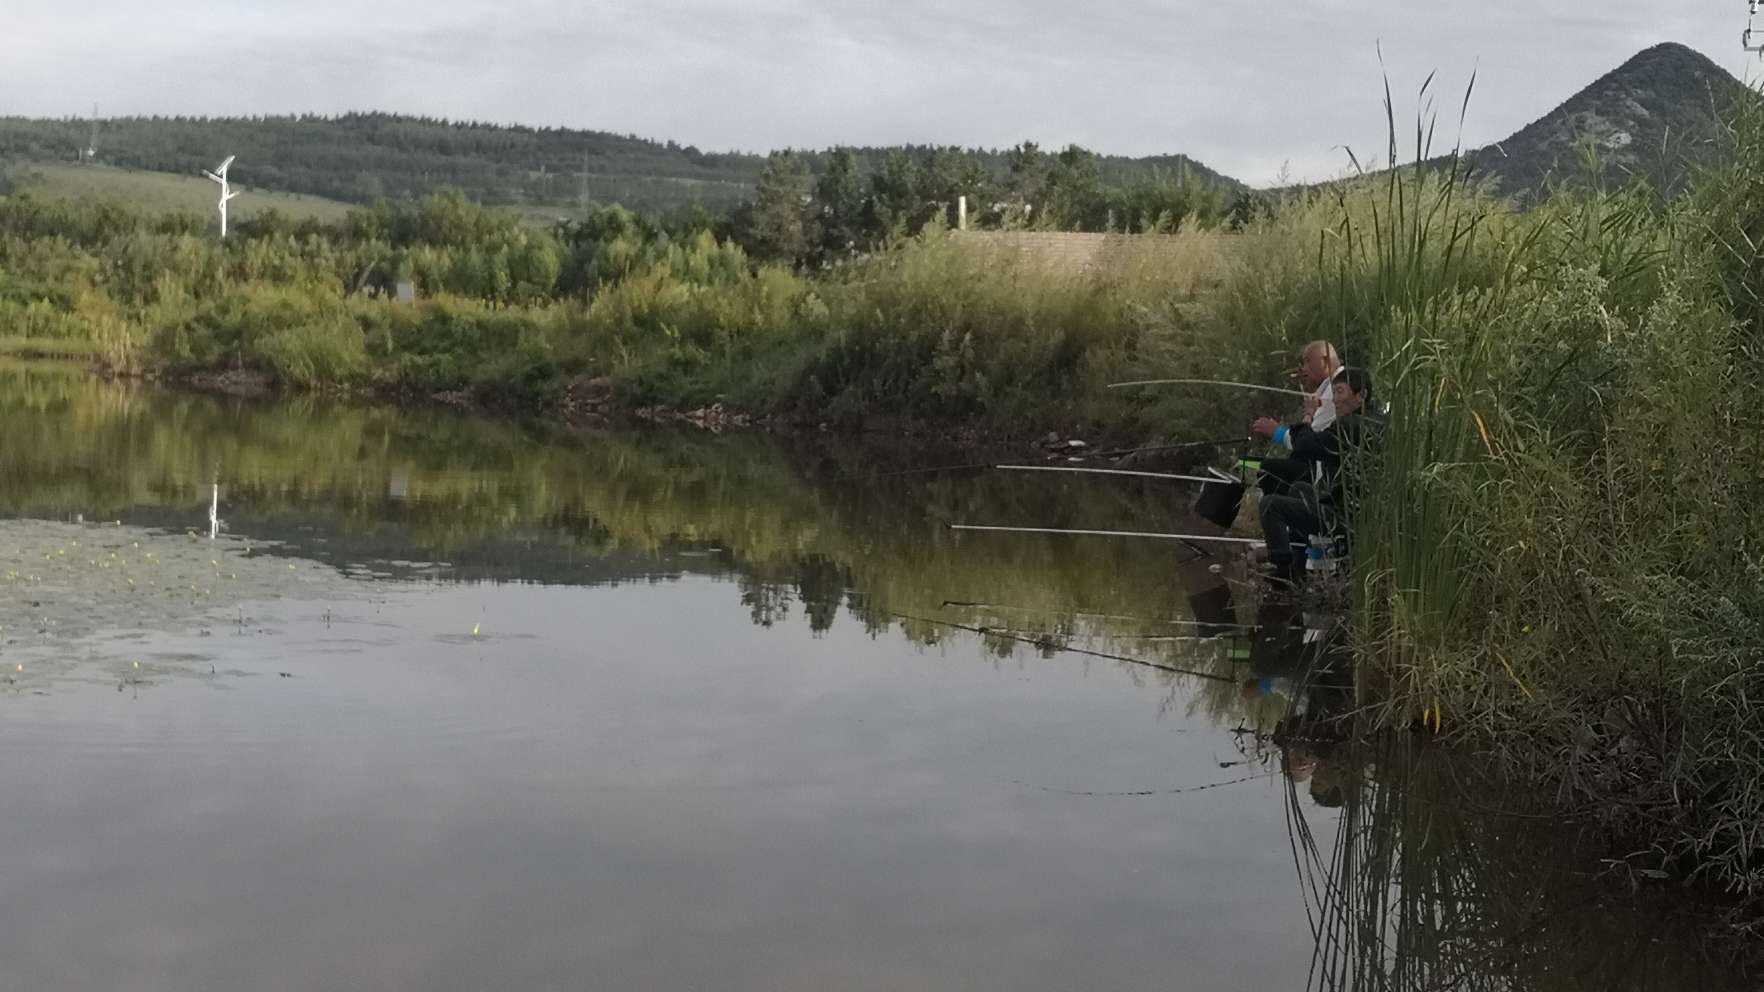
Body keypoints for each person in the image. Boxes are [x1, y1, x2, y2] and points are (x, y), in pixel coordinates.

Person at [1257, 367, 1375, 584]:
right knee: (1300, 489)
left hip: (1346, 517)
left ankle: (1284, 572)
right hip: (1358, 509)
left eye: (1340, 392)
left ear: (1361, 395)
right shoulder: (1375, 421)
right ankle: (1299, 560)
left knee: (1270, 505)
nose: (1335, 400)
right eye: (1335, 393)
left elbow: (1303, 446)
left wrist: (1309, 412)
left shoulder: (1351, 426)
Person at [1251, 341, 1343, 499]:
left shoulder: (1333, 392)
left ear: (1325, 360)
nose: (1304, 368)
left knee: (1266, 468)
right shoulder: (1331, 387)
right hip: (1321, 464)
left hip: (1324, 472)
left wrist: (1277, 432)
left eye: (1308, 361)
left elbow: (1305, 442)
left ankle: (1282, 514)